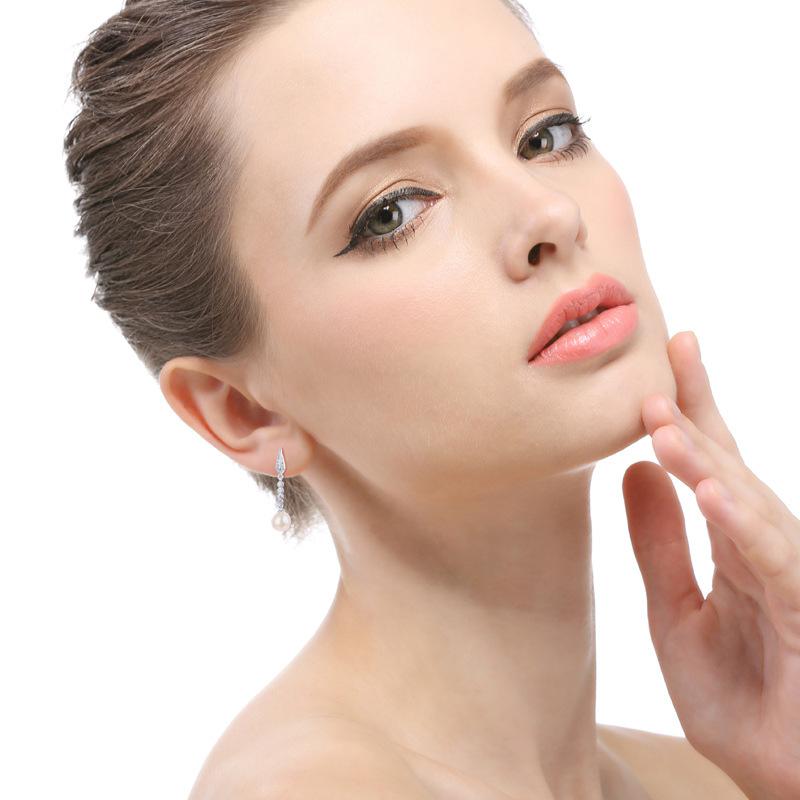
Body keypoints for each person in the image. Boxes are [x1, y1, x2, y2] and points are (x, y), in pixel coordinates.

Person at [63, 1, 800, 798]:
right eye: (392, 212)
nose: (550, 213)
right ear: (244, 411)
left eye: (544, 135)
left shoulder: (719, 776)